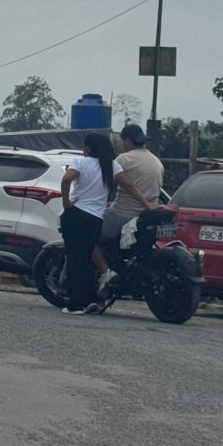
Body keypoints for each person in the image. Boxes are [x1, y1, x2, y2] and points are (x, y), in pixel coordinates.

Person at [59, 133, 151, 315]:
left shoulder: (80, 162)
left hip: (76, 215)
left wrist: (66, 202)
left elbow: (66, 179)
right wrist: (148, 205)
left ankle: (75, 304)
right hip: (95, 219)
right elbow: (130, 187)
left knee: (74, 259)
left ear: (88, 148)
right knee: (86, 259)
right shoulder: (112, 165)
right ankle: (90, 300)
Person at [94, 124, 165, 292]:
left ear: (127, 140)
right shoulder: (156, 161)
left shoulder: (123, 159)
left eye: (123, 141)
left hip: (123, 214)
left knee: (89, 237)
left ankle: (106, 273)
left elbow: (106, 184)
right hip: (146, 215)